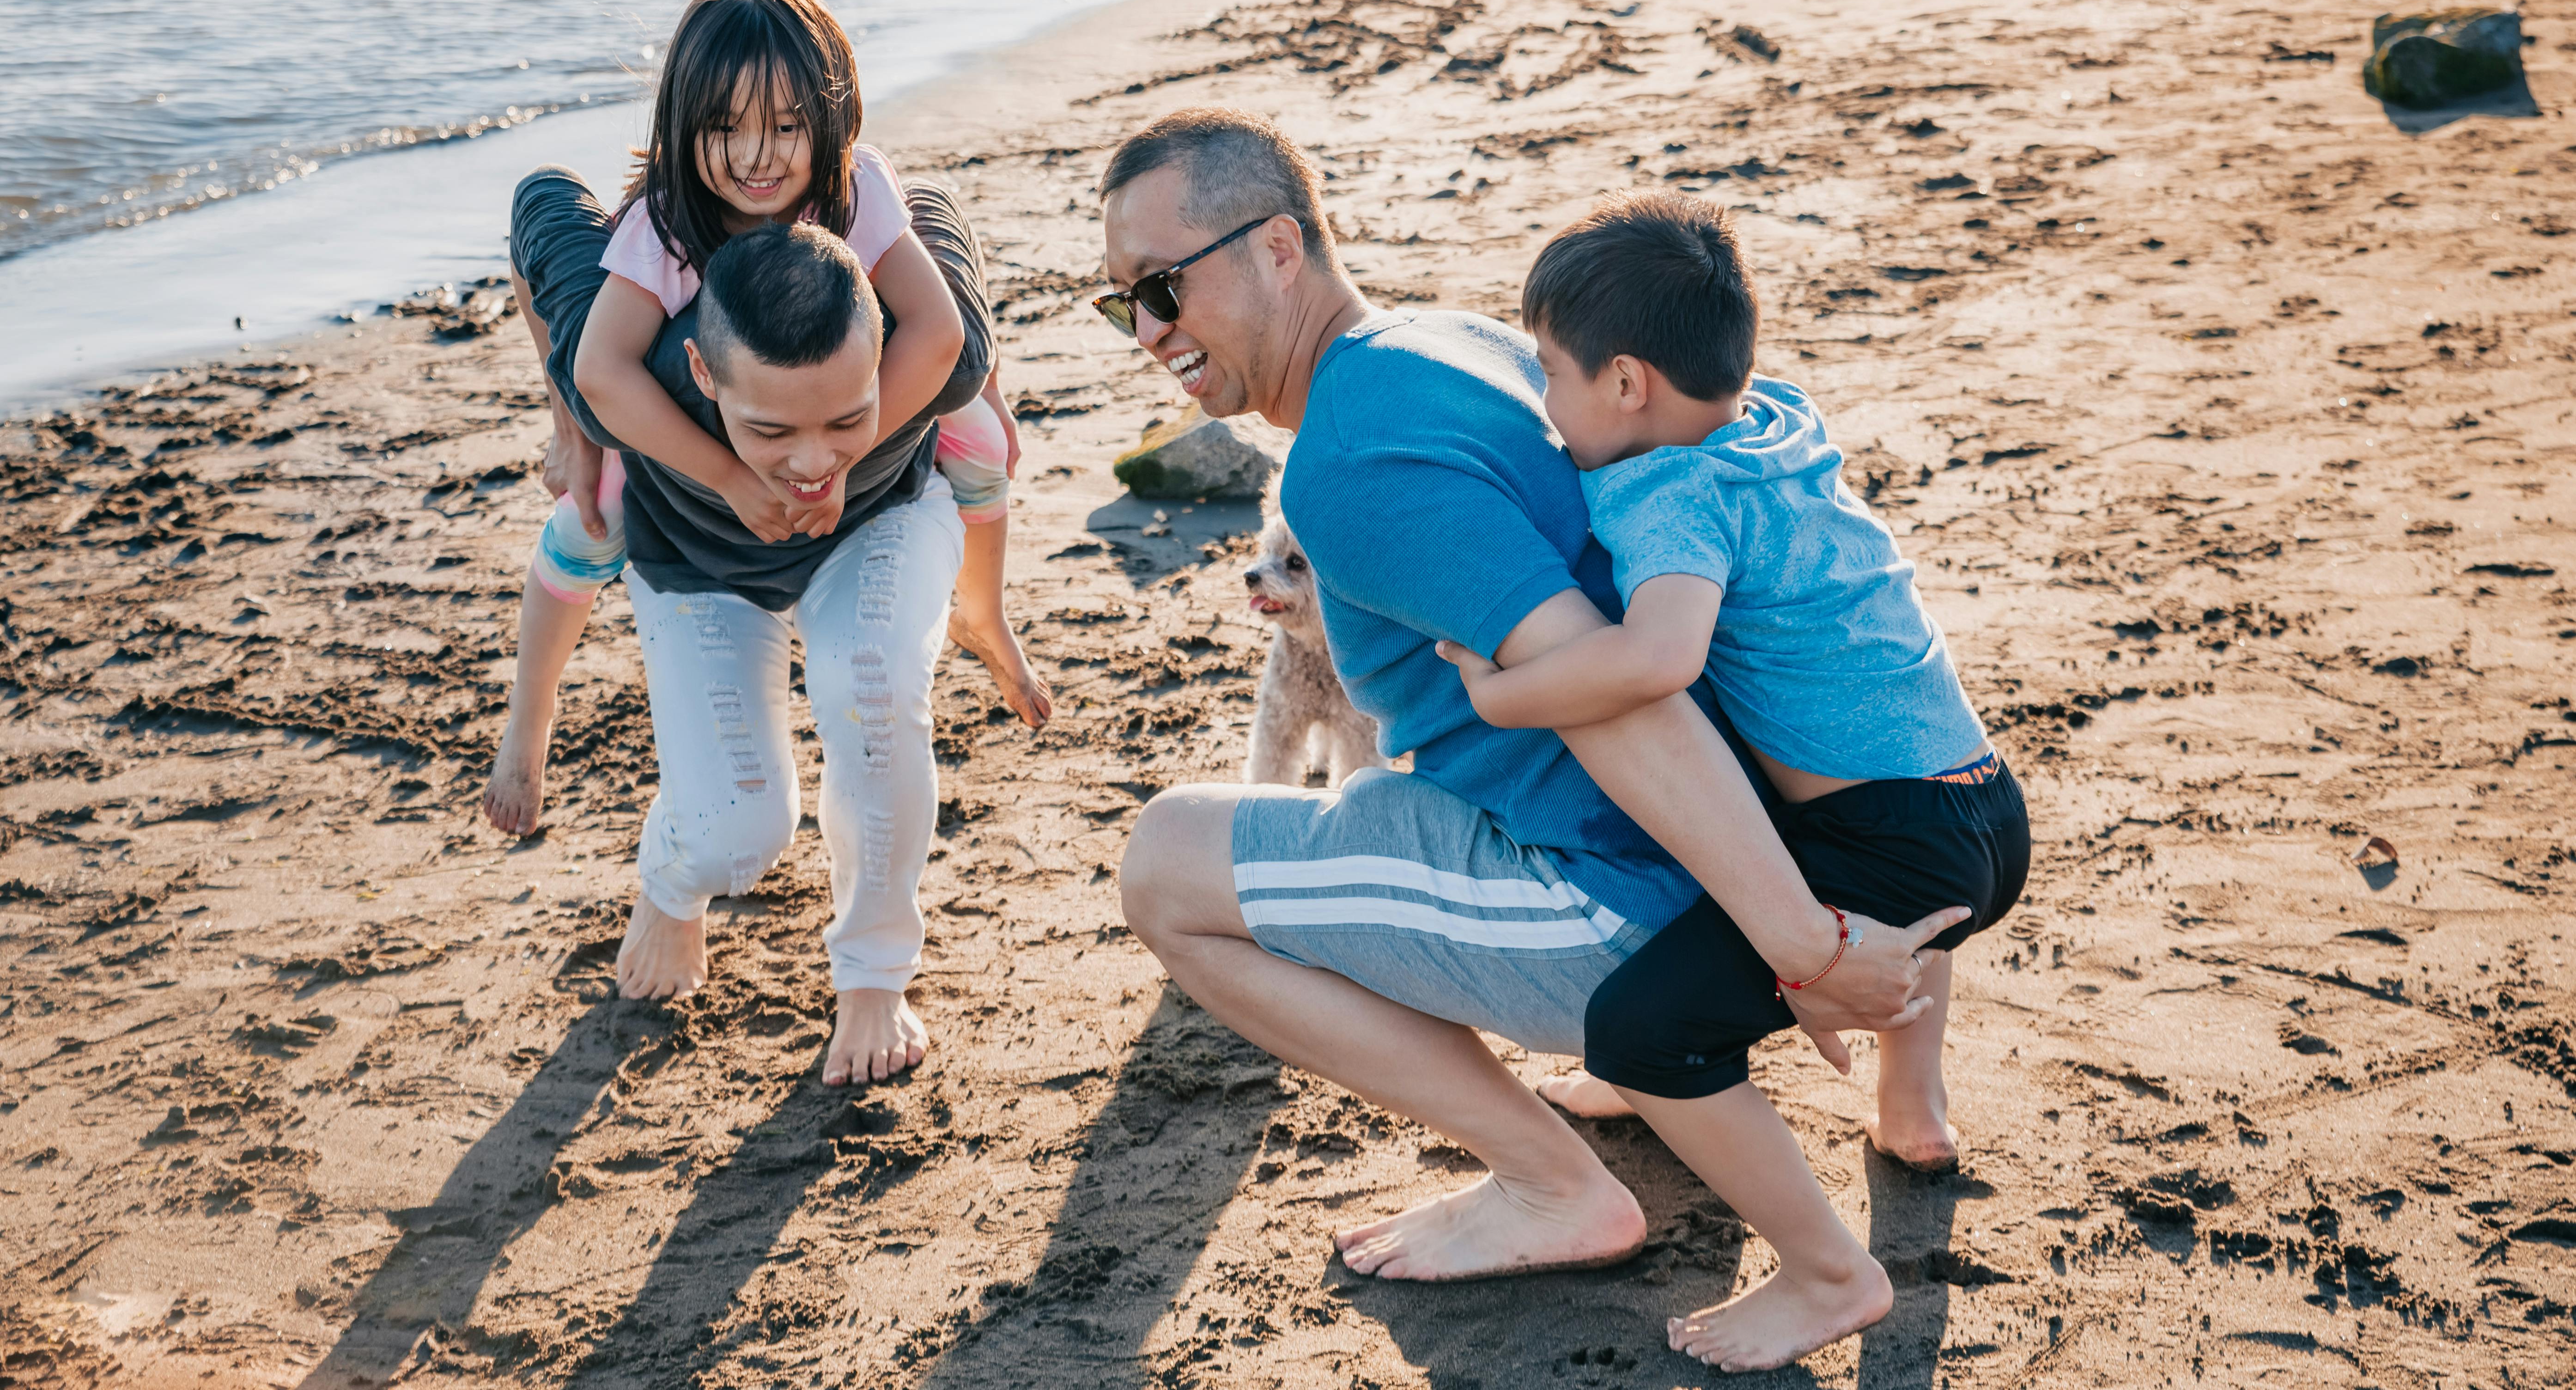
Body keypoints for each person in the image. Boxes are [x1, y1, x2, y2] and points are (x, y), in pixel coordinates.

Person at [1098, 109, 1967, 1303]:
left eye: (1162, 286)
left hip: (1632, 911)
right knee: (1372, 796)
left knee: (1166, 867)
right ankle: (1650, 1073)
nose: (1147, 330)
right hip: (1753, 849)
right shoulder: (1451, 341)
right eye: (1120, 302)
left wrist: (1799, 949)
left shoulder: (1350, 463)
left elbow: (1618, 694)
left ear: (1280, 248)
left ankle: (1551, 1182)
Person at [1434, 191, 2029, 1371]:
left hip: (1887, 841)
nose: (1545, 413)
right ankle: (1910, 1108)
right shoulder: (1775, 422)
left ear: (1626, 386)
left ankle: (1822, 1276)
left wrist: (1494, 694)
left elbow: (1661, 656)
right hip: (1981, 806)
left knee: (1640, 1033)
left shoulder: (1667, 487)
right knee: (1851, 902)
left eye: (1549, 374)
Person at [482, 0, 1048, 843]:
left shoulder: (854, 194)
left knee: (972, 415)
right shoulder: (669, 225)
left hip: (827, 400)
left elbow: (935, 330)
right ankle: (529, 720)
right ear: (684, 128)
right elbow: (603, 367)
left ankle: (989, 614)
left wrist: (843, 460)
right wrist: (727, 476)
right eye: (726, 128)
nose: (759, 156)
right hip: (698, 407)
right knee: (594, 506)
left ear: (830, 119)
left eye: (786, 126)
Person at [504, 121, 991, 1085]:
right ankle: (670, 885)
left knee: (874, 684)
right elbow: (538, 213)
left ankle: (874, 978)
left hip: (877, 534)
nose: (813, 461)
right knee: (738, 831)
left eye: (842, 420)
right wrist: (572, 428)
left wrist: (989, 615)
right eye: (774, 427)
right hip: (698, 566)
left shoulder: (931, 345)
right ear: (701, 379)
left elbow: (935, 222)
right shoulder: (634, 364)